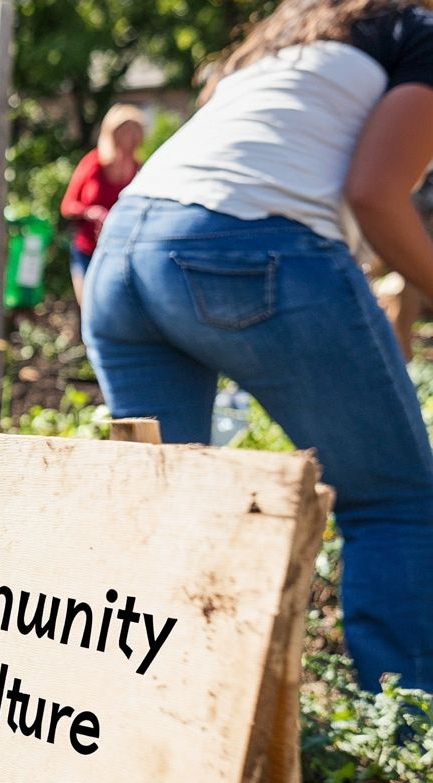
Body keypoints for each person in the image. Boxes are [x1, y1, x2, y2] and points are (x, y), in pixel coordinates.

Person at [82, 0, 433, 693]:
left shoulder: (287, 39)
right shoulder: (421, 37)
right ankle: (409, 729)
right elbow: (375, 193)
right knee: (394, 499)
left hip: (124, 255)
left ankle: (140, 709)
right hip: (248, 247)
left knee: (167, 505)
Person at [60, 104, 145, 306]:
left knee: (114, 307)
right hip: (87, 249)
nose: (129, 138)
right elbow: (67, 205)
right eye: (124, 131)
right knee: (88, 305)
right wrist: (90, 212)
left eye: (134, 132)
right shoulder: (93, 163)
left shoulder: (139, 169)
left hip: (119, 252)